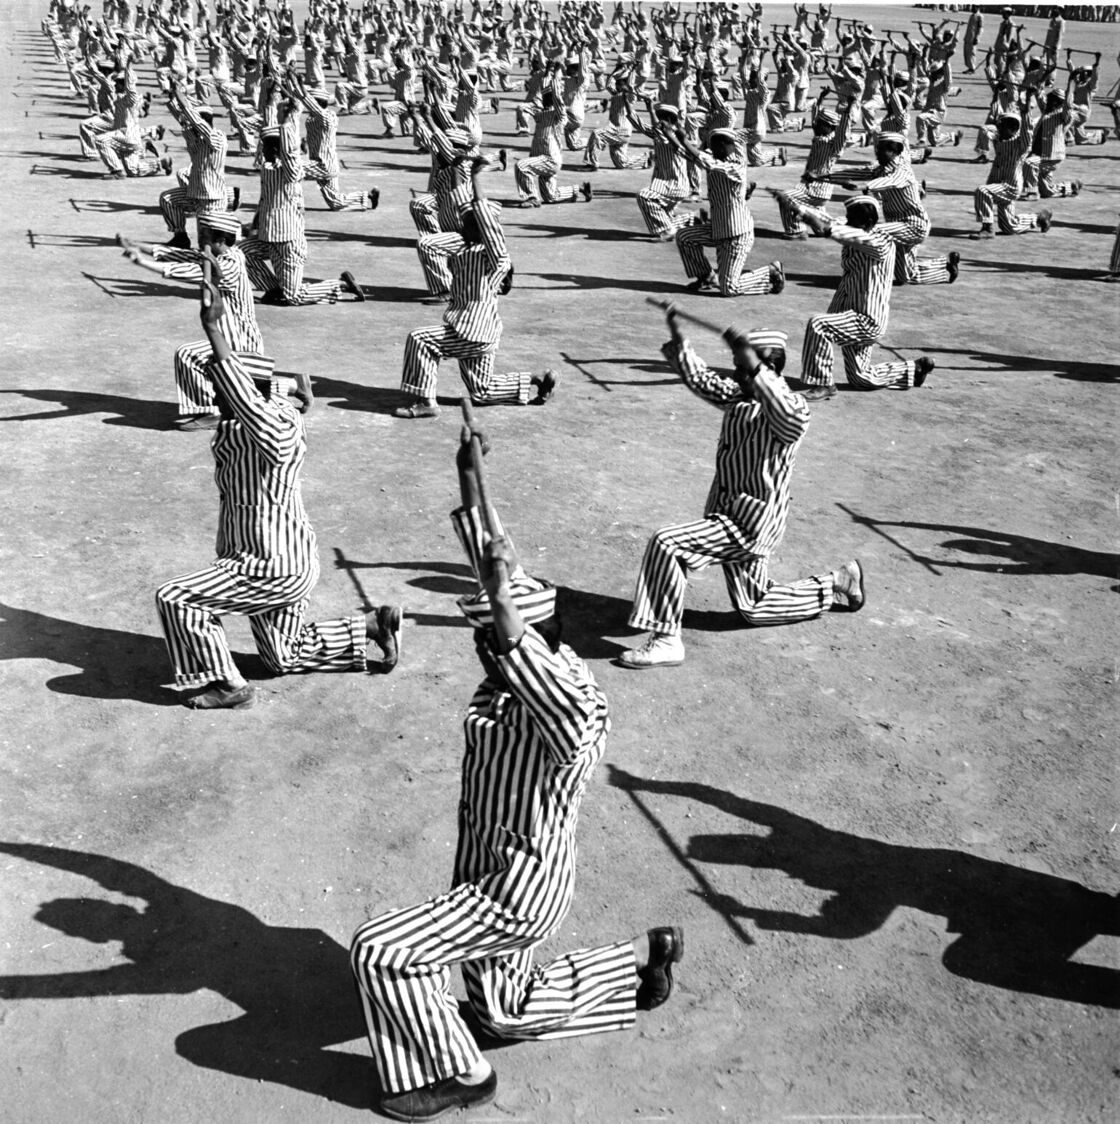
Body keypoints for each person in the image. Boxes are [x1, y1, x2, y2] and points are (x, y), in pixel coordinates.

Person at [350, 424, 683, 1120]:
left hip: (515, 893)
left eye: (489, 638)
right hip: (489, 869)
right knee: (502, 1009)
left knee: (381, 952)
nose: (479, 647)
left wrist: (503, 608)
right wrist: (471, 477)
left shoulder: (571, 705)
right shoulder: (527, 669)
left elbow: (512, 627)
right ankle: (637, 960)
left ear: (519, 641)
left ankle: (462, 1075)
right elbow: (494, 567)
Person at [154, 268, 402, 709]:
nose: (215, 393)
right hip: (273, 556)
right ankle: (370, 627)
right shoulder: (255, 417)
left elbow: (252, 399)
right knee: (281, 657)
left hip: (270, 566)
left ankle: (229, 685)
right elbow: (259, 394)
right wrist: (292, 388)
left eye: (222, 386)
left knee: (176, 599)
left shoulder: (275, 426)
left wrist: (213, 329)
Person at [619, 305, 865, 670]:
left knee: (667, 543)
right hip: (728, 514)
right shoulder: (740, 397)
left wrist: (752, 362)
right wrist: (679, 338)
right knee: (755, 605)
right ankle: (836, 581)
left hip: (750, 525)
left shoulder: (793, 411)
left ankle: (667, 639)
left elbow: (782, 406)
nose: (736, 376)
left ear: (768, 369)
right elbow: (701, 379)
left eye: (743, 370)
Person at [394, 157, 557, 419]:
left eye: (469, 222)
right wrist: (463, 173)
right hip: (483, 332)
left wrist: (478, 178)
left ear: (482, 228)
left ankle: (426, 402)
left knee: (420, 340)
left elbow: (484, 218)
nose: (463, 225)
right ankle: (536, 380)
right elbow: (460, 204)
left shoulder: (495, 257)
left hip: (472, 332)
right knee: (482, 391)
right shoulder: (466, 247)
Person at [774, 193, 936, 399]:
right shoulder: (856, 226)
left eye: (852, 219)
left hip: (866, 319)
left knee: (819, 325)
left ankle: (823, 384)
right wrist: (796, 207)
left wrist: (814, 222)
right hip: (849, 311)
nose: (847, 221)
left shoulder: (879, 241)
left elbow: (835, 230)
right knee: (860, 377)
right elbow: (830, 220)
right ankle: (914, 370)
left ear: (867, 222)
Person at [670, 126, 783, 298]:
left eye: (716, 144)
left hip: (736, 235)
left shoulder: (736, 165)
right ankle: (706, 277)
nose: (712, 147)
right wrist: (670, 134)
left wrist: (684, 139)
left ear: (727, 145)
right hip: (718, 229)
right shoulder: (713, 158)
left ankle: (770, 272)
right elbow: (688, 154)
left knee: (729, 288)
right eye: (712, 144)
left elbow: (704, 160)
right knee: (685, 237)